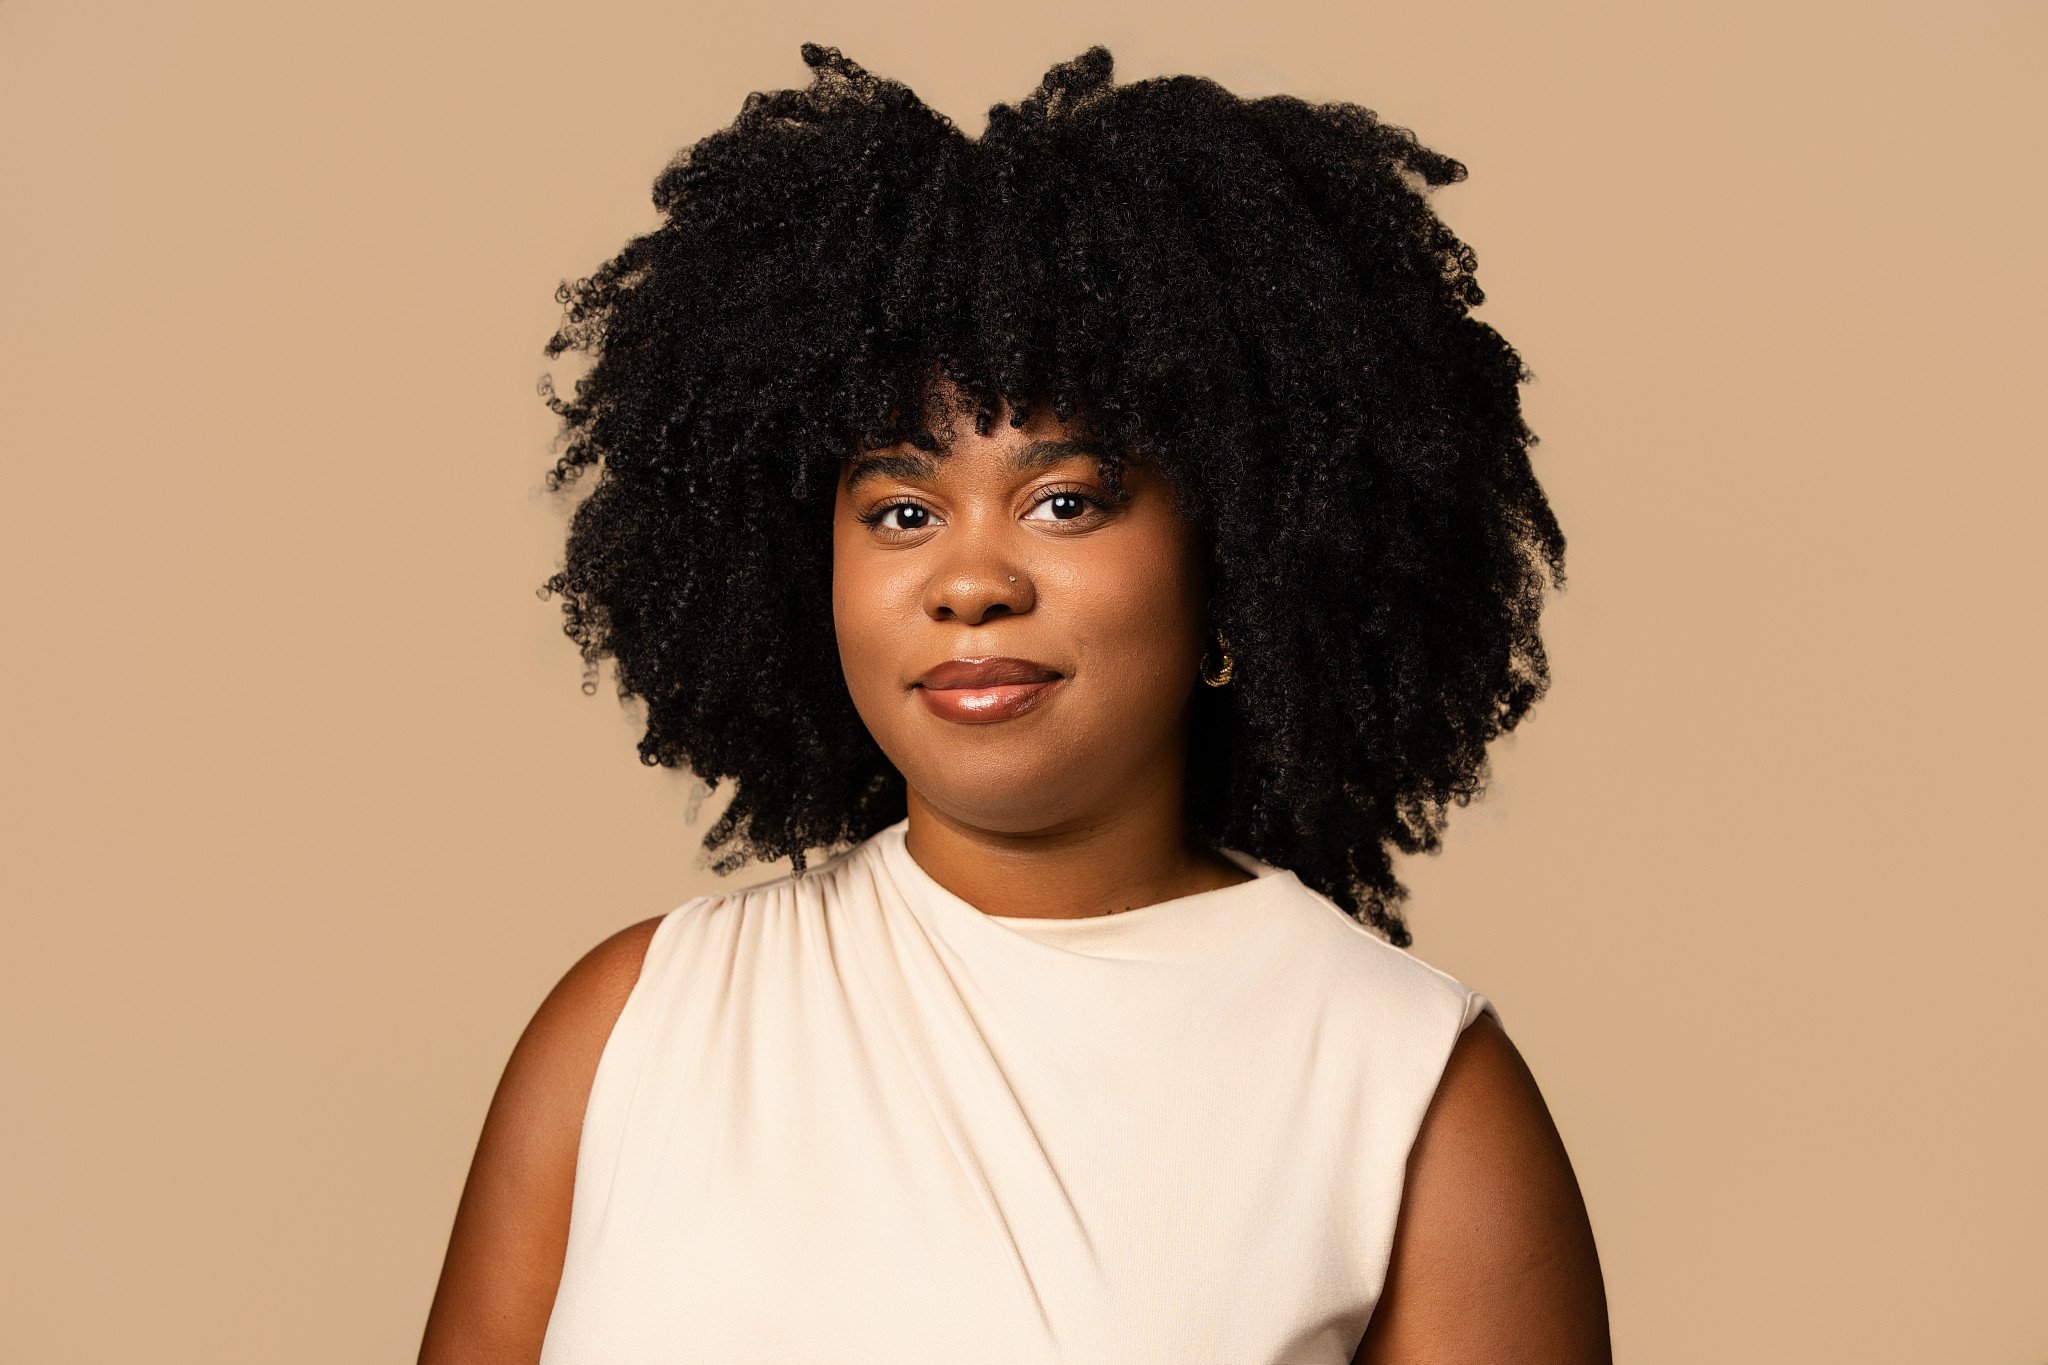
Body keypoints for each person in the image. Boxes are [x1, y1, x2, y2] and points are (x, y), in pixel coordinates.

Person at [419, 40, 1609, 1364]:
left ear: (1241, 563)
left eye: (1065, 500)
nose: (970, 578)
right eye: (903, 508)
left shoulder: (1412, 1095)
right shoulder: (627, 1026)